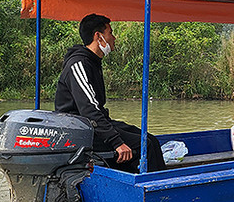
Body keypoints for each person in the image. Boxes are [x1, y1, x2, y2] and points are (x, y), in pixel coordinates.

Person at [55, 13, 165, 172]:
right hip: (80, 131)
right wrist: (117, 142)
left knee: (150, 140)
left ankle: (157, 180)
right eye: (110, 33)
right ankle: (150, 185)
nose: (114, 38)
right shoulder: (78, 64)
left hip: (94, 126)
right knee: (145, 146)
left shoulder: (92, 61)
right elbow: (89, 109)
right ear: (98, 36)